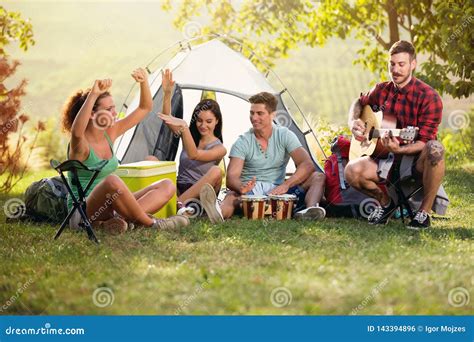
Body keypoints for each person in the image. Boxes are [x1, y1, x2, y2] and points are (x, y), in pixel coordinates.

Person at [61, 68, 189, 233]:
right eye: (108, 110)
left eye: (114, 107)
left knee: (167, 186)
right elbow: (76, 132)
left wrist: (144, 82)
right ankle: (153, 224)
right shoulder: (80, 144)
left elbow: (144, 108)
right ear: (92, 114)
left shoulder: (110, 133)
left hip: (111, 206)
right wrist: (93, 94)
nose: (114, 113)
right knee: (112, 181)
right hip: (83, 212)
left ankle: (118, 222)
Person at [344, 40, 445, 229]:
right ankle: (386, 204)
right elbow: (359, 102)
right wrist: (353, 121)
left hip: (415, 158)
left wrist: (400, 148)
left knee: (436, 149)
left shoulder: (429, 97)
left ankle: (423, 213)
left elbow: (424, 140)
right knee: (351, 171)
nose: (395, 70)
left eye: (401, 64)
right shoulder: (381, 90)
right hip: (385, 155)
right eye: (392, 64)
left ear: (413, 64)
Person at [198, 91, 326, 223]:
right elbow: (232, 178)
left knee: (318, 177)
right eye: (252, 113)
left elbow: (306, 164)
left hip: (279, 193)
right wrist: (242, 188)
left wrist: (286, 185)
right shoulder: (242, 142)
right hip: (251, 193)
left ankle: (309, 211)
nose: (254, 118)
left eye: (259, 113)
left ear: (272, 115)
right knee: (231, 197)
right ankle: (218, 214)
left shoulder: (285, 135)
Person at [153, 70, 226, 214]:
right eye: (199, 120)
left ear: (217, 121)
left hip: (199, 194)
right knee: (151, 160)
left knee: (216, 171)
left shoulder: (220, 148)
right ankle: (171, 203)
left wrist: (184, 127)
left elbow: (194, 155)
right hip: (179, 187)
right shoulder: (188, 135)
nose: (203, 125)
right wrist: (167, 94)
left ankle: (176, 206)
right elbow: (167, 118)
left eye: (208, 121)